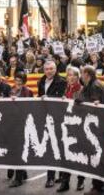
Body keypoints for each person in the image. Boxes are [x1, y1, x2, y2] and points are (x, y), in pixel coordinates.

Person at [37, 60, 67, 188]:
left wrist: (47, 98)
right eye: (47, 69)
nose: (49, 71)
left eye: (52, 68)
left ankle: (61, 175)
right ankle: (50, 177)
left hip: (59, 119)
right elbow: (39, 98)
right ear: (44, 70)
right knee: (50, 149)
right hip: (46, 118)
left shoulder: (62, 82)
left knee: (60, 147)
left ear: (56, 69)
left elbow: (61, 99)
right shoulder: (41, 82)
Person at [77, 66, 104, 195]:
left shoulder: (95, 86)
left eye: (82, 73)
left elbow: (95, 104)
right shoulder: (89, 85)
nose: (81, 76)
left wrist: (82, 100)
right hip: (91, 125)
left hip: (96, 126)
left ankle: (98, 187)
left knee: (97, 156)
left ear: (87, 74)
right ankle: (96, 186)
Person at [57, 66, 85, 192]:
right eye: (69, 75)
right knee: (65, 154)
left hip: (78, 126)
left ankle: (80, 180)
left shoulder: (82, 90)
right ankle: (65, 181)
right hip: (66, 125)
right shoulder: (66, 88)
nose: (71, 77)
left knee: (80, 154)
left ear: (78, 76)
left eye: (73, 75)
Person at [8, 72, 32, 188]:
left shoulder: (28, 92)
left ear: (24, 81)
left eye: (20, 80)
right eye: (17, 79)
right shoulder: (10, 90)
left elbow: (30, 108)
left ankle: (18, 178)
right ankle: (23, 172)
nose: (18, 82)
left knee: (19, 150)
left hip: (23, 125)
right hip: (11, 123)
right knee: (13, 149)